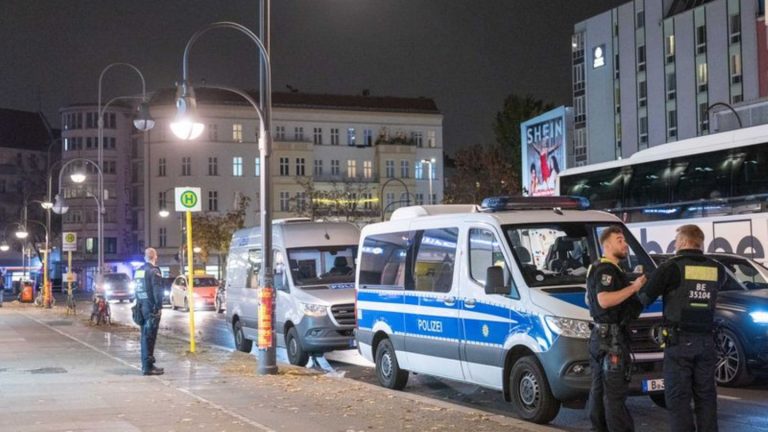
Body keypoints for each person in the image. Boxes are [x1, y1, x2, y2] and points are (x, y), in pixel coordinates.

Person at [637, 225, 725, 432]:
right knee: (706, 397)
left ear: (684, 242)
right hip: (706, 341)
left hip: (679, 343)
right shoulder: (717, 268)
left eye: (677, 240)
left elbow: (645, 298)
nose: (675, 244)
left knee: (678, 398)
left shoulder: (671, 267)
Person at [586, 225, 646, 432]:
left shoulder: (597, 268)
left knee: (599, 389)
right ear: (607, 244)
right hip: (611, 339)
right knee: (614, 392)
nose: (625, 243)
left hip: (600, 336)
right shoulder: (606, 270)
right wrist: (634, 287)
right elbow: (604, 300)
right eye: (620, 240)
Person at [134, 247, 164, 376]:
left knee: (144, 336)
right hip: (151, 308)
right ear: (155, 257)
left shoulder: (139, 271)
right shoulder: (154, 271)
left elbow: (136, 290)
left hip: (141, 306)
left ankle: (146, 364)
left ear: (144, 257)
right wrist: (159, 306)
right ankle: (148, 366)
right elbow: (157, 291)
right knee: (149, 337)